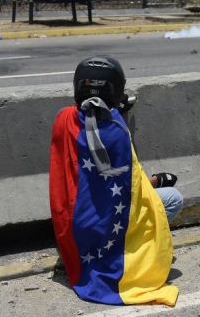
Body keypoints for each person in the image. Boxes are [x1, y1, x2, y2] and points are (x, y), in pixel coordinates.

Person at [49, 56, 181, 306]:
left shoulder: (62, 120)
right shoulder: (117, 130)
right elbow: (129, 190)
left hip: (72, 227)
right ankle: (134, 254)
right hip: (110, 227)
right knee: (173, 199)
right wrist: (157, 181)